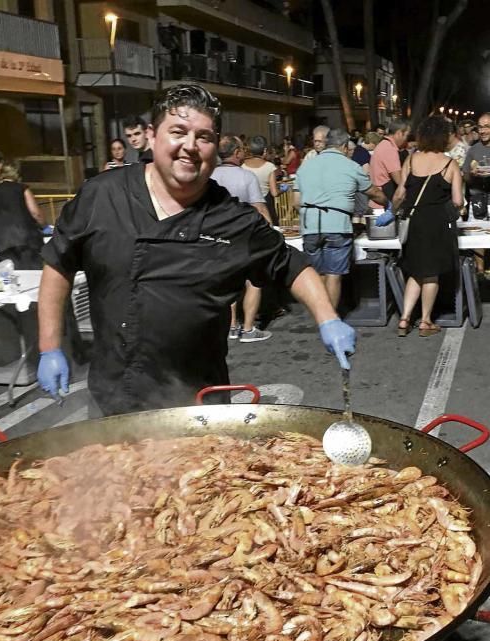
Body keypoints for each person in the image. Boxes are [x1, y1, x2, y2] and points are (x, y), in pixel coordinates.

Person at [36, 83, 355, 413]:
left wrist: (327, 317)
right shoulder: (101, 196)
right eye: (178, 131)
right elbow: (59, 263)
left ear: (215, 147)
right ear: (152, 135)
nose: (190, 146)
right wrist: (49, 347)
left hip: (201, 400)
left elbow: (291, 265)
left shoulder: (233, 218)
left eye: (204, 137)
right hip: (115, 395)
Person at [294, 128, 388, 309]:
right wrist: (387, 203)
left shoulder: (306, 166)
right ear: (344, 147)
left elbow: (296, 202)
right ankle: (330, 317)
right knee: (333, 274)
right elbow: (374, 193)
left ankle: (321, 314)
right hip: (338, 225)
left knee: (318, 273)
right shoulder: (350, 166)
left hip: (310, 226)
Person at [388, 116, 463, 337]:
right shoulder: (450, 164)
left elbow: (400, 193)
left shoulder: (411, 159)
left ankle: (404, 319)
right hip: (437, 223)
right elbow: (458, 201)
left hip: (414, 222)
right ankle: (425, 321)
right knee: (431, 275)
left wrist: (392, 212)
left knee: (416, 271)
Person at [210, 133, 272, 342]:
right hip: (245, 236)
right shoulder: (246, 177)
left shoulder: (210, 176)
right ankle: (248, 329)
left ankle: (232, 326)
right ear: (236, 153)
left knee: (228, 282)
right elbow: (259, 207)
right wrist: (271, 230)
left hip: (217, 237)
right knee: (253, 281)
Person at [0, 164, 45, 269]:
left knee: (13, 273)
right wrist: (43, 225)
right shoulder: (22, 188)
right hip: (25, 237)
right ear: (16, 175)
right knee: (32, 272)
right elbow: (35, 213)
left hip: (0, 240)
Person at [369, 119, 410, 203]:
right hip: (384, 201)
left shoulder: (384, 144)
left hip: (379, 197)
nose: (406, 140)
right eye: (406, 135)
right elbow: (399, 180)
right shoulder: (389, 149)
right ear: (399, 133)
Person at [242, 135, 277, 224]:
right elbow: (274, 192)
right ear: (265, 150)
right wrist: (283, 190)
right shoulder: (270, 166)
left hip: (248, 204)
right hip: (265, 204)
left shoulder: (243, 165)